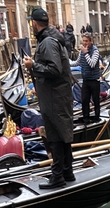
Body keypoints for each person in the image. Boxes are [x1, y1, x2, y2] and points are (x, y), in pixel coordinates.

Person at [22, 8, 74, 189]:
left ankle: (57, 175)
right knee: (62, 132)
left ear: (34, 23)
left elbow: (54, 69)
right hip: (56, 94)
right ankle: (67, 171)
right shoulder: (52, 39)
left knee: (55, 135)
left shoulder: (48, 42)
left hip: (54, 97)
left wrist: (33, 65)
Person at [77, 33, 101, 124]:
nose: (84, 43)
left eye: (86, 41)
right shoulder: (82, 51)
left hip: (94, 80)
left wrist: (86, 53)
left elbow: (92, 64)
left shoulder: (95, 51)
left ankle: (97, 118)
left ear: (91, 41)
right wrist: (66, 63)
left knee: (96, 100)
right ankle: (86, 118)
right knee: (84, 100)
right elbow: (77, 62)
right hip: (86, 80)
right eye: (83, 41)